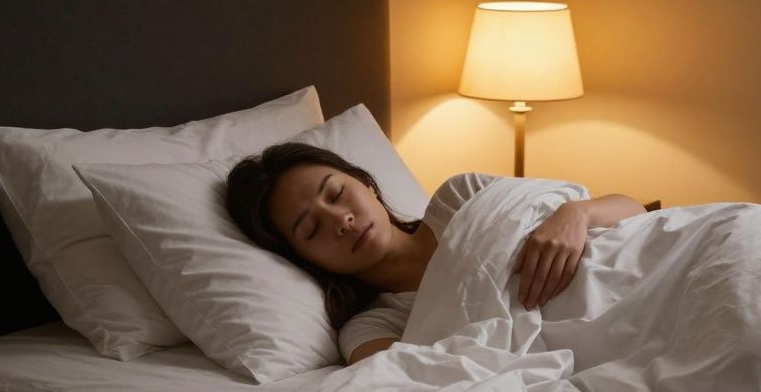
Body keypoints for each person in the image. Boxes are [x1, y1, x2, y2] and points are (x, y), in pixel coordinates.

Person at [227, 143, 647, 364]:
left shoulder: (460, 198)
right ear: (306, 260)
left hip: (646, 267)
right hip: (623, 340)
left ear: (365, 183)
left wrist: (576, 213)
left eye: (337, 193)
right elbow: (421, 382)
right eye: (313, 229)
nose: (342, 221)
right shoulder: (370, 328)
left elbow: (634, 212)